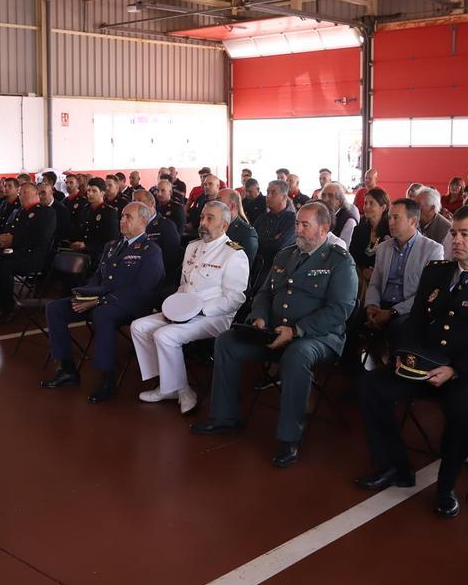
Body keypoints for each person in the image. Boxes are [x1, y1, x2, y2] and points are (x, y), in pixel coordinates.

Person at [356, 205, 468, 518]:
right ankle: (396, 466)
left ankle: (446, 484)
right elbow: (415, 321)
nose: (456, 240)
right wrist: (403, 354)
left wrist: (455, 369)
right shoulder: (436, 272)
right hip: (426, 365)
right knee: (371, 385)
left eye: (465, 234)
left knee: (466, 404)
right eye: (453, 233)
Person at [191, 203, 358, 468]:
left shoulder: (339, 262)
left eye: (305, 225)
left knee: (296, 354)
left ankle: (289, 437)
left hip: (317, 338)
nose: (298, 230)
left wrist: (296, 331)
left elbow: (339, 311)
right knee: (227, 342)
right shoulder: (285, 255)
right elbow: (265, 293)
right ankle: (224, 416)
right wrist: (259, 317)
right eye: (297, 224)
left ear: (324, 229)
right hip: (273, 330)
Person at [132, 202, 250, 415]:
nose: (202, 223)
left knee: (164, 336)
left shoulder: (234, 254)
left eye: (210, 219)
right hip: (183, 311)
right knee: (138, 326)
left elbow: (234, 299)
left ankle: (184, 391)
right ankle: (169, 386)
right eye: (202, 217)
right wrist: (173, 311)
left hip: (214, 316)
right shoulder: (193, 247)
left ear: (224, 225)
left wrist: (197, 311)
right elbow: (184, 286)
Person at [41, 203, 164, 403]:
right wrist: (86, 296)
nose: (122, 220)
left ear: (143, 221)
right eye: (122, 216)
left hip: (129, 304)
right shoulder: (112, 246)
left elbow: (143, 291)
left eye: (128, 217)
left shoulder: (151, 251)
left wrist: (99, 301)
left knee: (102, 314)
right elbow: (97, 278)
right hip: (100, 300)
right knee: (55, 308)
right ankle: (67, 369)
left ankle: (108, 380)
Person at [347, 198, 445, 374]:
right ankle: (354, 376)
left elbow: (426, 294)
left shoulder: (432, 250)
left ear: (412, 221)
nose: (390, 223)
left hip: (409, 309)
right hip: (381, 304)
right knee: (351, 318)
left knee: (399, 328)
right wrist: (372, 306)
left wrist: (392, 313)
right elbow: (375, 282)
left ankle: (394, 377)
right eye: (389, 217)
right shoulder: (384, 247)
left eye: (396, 218)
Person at [0, 182, 55, 323]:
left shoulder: (46, 212)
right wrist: (1, 238)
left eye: (25, 192)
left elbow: (41, 237)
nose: (21, 195)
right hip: (15, 253)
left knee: (3, 265)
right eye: (20, 192)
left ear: (35, 194)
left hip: (33, 256)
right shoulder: (17, 212)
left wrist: (13, 240)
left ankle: (8, 308)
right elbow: (8, 231)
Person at [252, 180, 297, 284]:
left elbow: (280, 245)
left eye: (273, 193)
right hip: (257, 268)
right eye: (267, 192)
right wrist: (270, 240)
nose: (268, 196)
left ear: (284, 197)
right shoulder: (262, 218)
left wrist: (260, 240)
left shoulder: (292, 220)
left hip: (279, 271)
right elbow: (252, 241)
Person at [133, 188, 182, 281]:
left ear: (151, 203)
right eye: (134, 201)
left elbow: (170, 259)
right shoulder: (132, 225)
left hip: (156, 277)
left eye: (139, 201)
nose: (135, 205)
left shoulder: (166, 226)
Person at [68, 177, 120, 263]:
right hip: (81, 254)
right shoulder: (85, 209)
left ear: (102, 193)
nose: (90, 194)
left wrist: (87, 246)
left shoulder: (109, 212)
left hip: (98, 256)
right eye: (88, 190)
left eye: (94, 191)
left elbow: (111, 241)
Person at [349, 187, 390, 287]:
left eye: (371, 203)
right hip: (360, 279)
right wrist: (363, 270)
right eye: (365, 203)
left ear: (383, 208)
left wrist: (375, 273)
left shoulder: (390, 231)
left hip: (385, 281)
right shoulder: (359, 230)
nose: (366, 206)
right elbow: (352, 256)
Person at [217, 188, 259, 268]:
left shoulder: (246, 233)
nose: (214, 205)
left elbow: (243, 263)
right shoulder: (215, 226)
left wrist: (222, 240)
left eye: (218, 202)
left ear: (231, 206)